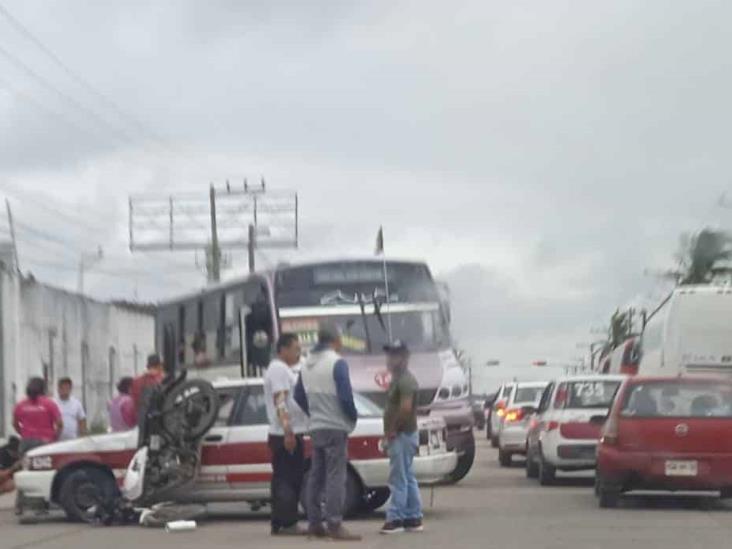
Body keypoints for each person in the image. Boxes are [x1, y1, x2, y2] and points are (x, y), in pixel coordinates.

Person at [294, 325, 361, 542]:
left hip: (316, 426)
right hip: (335, 426)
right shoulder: (337, 362)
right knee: (335, 476)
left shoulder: (305, 365)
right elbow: (346, 397)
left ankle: (314, 522)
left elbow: (298, 395)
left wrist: (313, 413)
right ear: (335, 340)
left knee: (316, 474)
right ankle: (334, 524)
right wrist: (352, 417)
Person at [263, 333, 309, 536]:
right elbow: (280, 401)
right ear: (283, 349)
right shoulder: (278, 370)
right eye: (295, 348)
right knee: (287, 480)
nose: (298, 352)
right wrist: (288, 432)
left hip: (289, 432)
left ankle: (279, 522)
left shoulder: (284, 369)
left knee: (286, 478)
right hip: (285, 434)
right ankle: (288, 523)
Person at [380, 341, 423, 534]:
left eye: (395, 355)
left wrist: (393, 430)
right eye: (389, 355)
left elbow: (405, 408)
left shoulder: (405, 380)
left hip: (403, 435)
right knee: (407, 476)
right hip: (404, 434)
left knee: (398, 477)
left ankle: (395, 518)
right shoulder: (398, 379)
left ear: (405, 358)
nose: (390, 360)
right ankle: (413, 517)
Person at [13, 377, 63, 453]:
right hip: (46, 441)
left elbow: (15, 424)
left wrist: (23, 433)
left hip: (26, 442)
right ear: (43, 389)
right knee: (45, 464)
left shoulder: (20, 405)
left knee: (26, 464)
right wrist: (55, 436)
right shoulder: (50, 404)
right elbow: (60, 424)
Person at [131, 354, 166, 424]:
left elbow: (135, 401)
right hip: (155, 419)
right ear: (159, 366)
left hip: (141, 418)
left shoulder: (137, 380)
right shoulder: (160, 379)